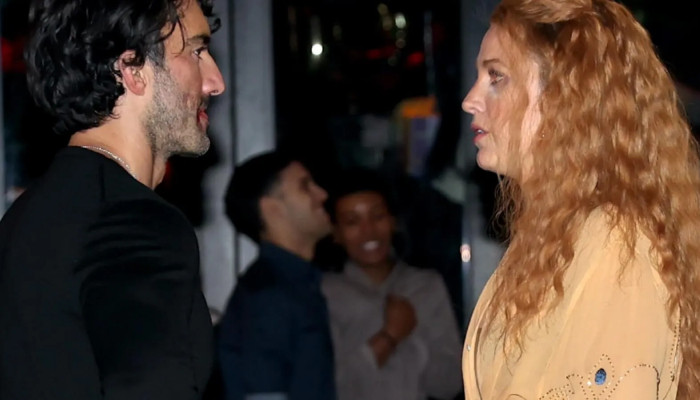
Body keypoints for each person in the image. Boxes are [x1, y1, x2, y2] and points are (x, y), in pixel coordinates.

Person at [460, 0, 700, 398]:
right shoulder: (557, 236)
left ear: (562, 98)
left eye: (496, 77)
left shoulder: (615, 245)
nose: (470, 99)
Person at [0, 0, 225, 398]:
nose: (215, 81)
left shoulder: (23, 219)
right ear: (132, 70)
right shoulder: (133, 219)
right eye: (196, 51)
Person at [321, 170, 462, 400]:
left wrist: (414, 339)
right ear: (336, 233)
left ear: (393, 222)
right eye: (352, 222)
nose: (368, 231)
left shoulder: (425, 286)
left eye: (377, 216)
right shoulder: (326, 293)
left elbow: (450, 383)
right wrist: (389, 337)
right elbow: (329, 385)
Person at [218, 151, 336, 400]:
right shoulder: (268, 295)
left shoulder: (300, 285)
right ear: (272, 208)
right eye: (305, 186)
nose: (322, 194)